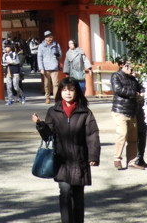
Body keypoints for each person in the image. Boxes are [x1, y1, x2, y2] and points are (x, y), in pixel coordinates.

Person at [32, 76, 101, 223]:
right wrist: (40, 124)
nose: (67, 93)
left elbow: (92, 135)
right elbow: (48, 136)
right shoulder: (53, 111)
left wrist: (93, 156)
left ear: (76, 92)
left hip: (80, 159)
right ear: (60, 92)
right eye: (64, 90)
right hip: (61, 160)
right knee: (64, 191)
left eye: (71, 90)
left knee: (78, 196)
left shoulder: (85, 113)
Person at [111, 60, 146, 170]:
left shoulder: (133, 78)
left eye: (133, 68)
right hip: (120, 110)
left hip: (132, 111)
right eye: (130, 67)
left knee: (133, 138)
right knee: (122, 134)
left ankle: (132, 160)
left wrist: (142, 91)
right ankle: (117, 159)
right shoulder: (116, 76)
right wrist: (134, 93)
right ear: (123, 66)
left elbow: (141, 88)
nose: (132, 70)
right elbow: (118, 89)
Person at [37, 31, 62, 104]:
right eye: (49, 37)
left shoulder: (56, 44)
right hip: (45, 68)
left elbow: (60, 55)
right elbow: (39, 58)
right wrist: (41, 68)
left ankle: (56, 98)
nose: (51, 39)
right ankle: (47, 97)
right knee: (46, 84)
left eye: (51, 37)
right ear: (46, 38)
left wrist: (58, 55)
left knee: (56, 84)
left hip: (54, 67)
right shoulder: (41, 46)